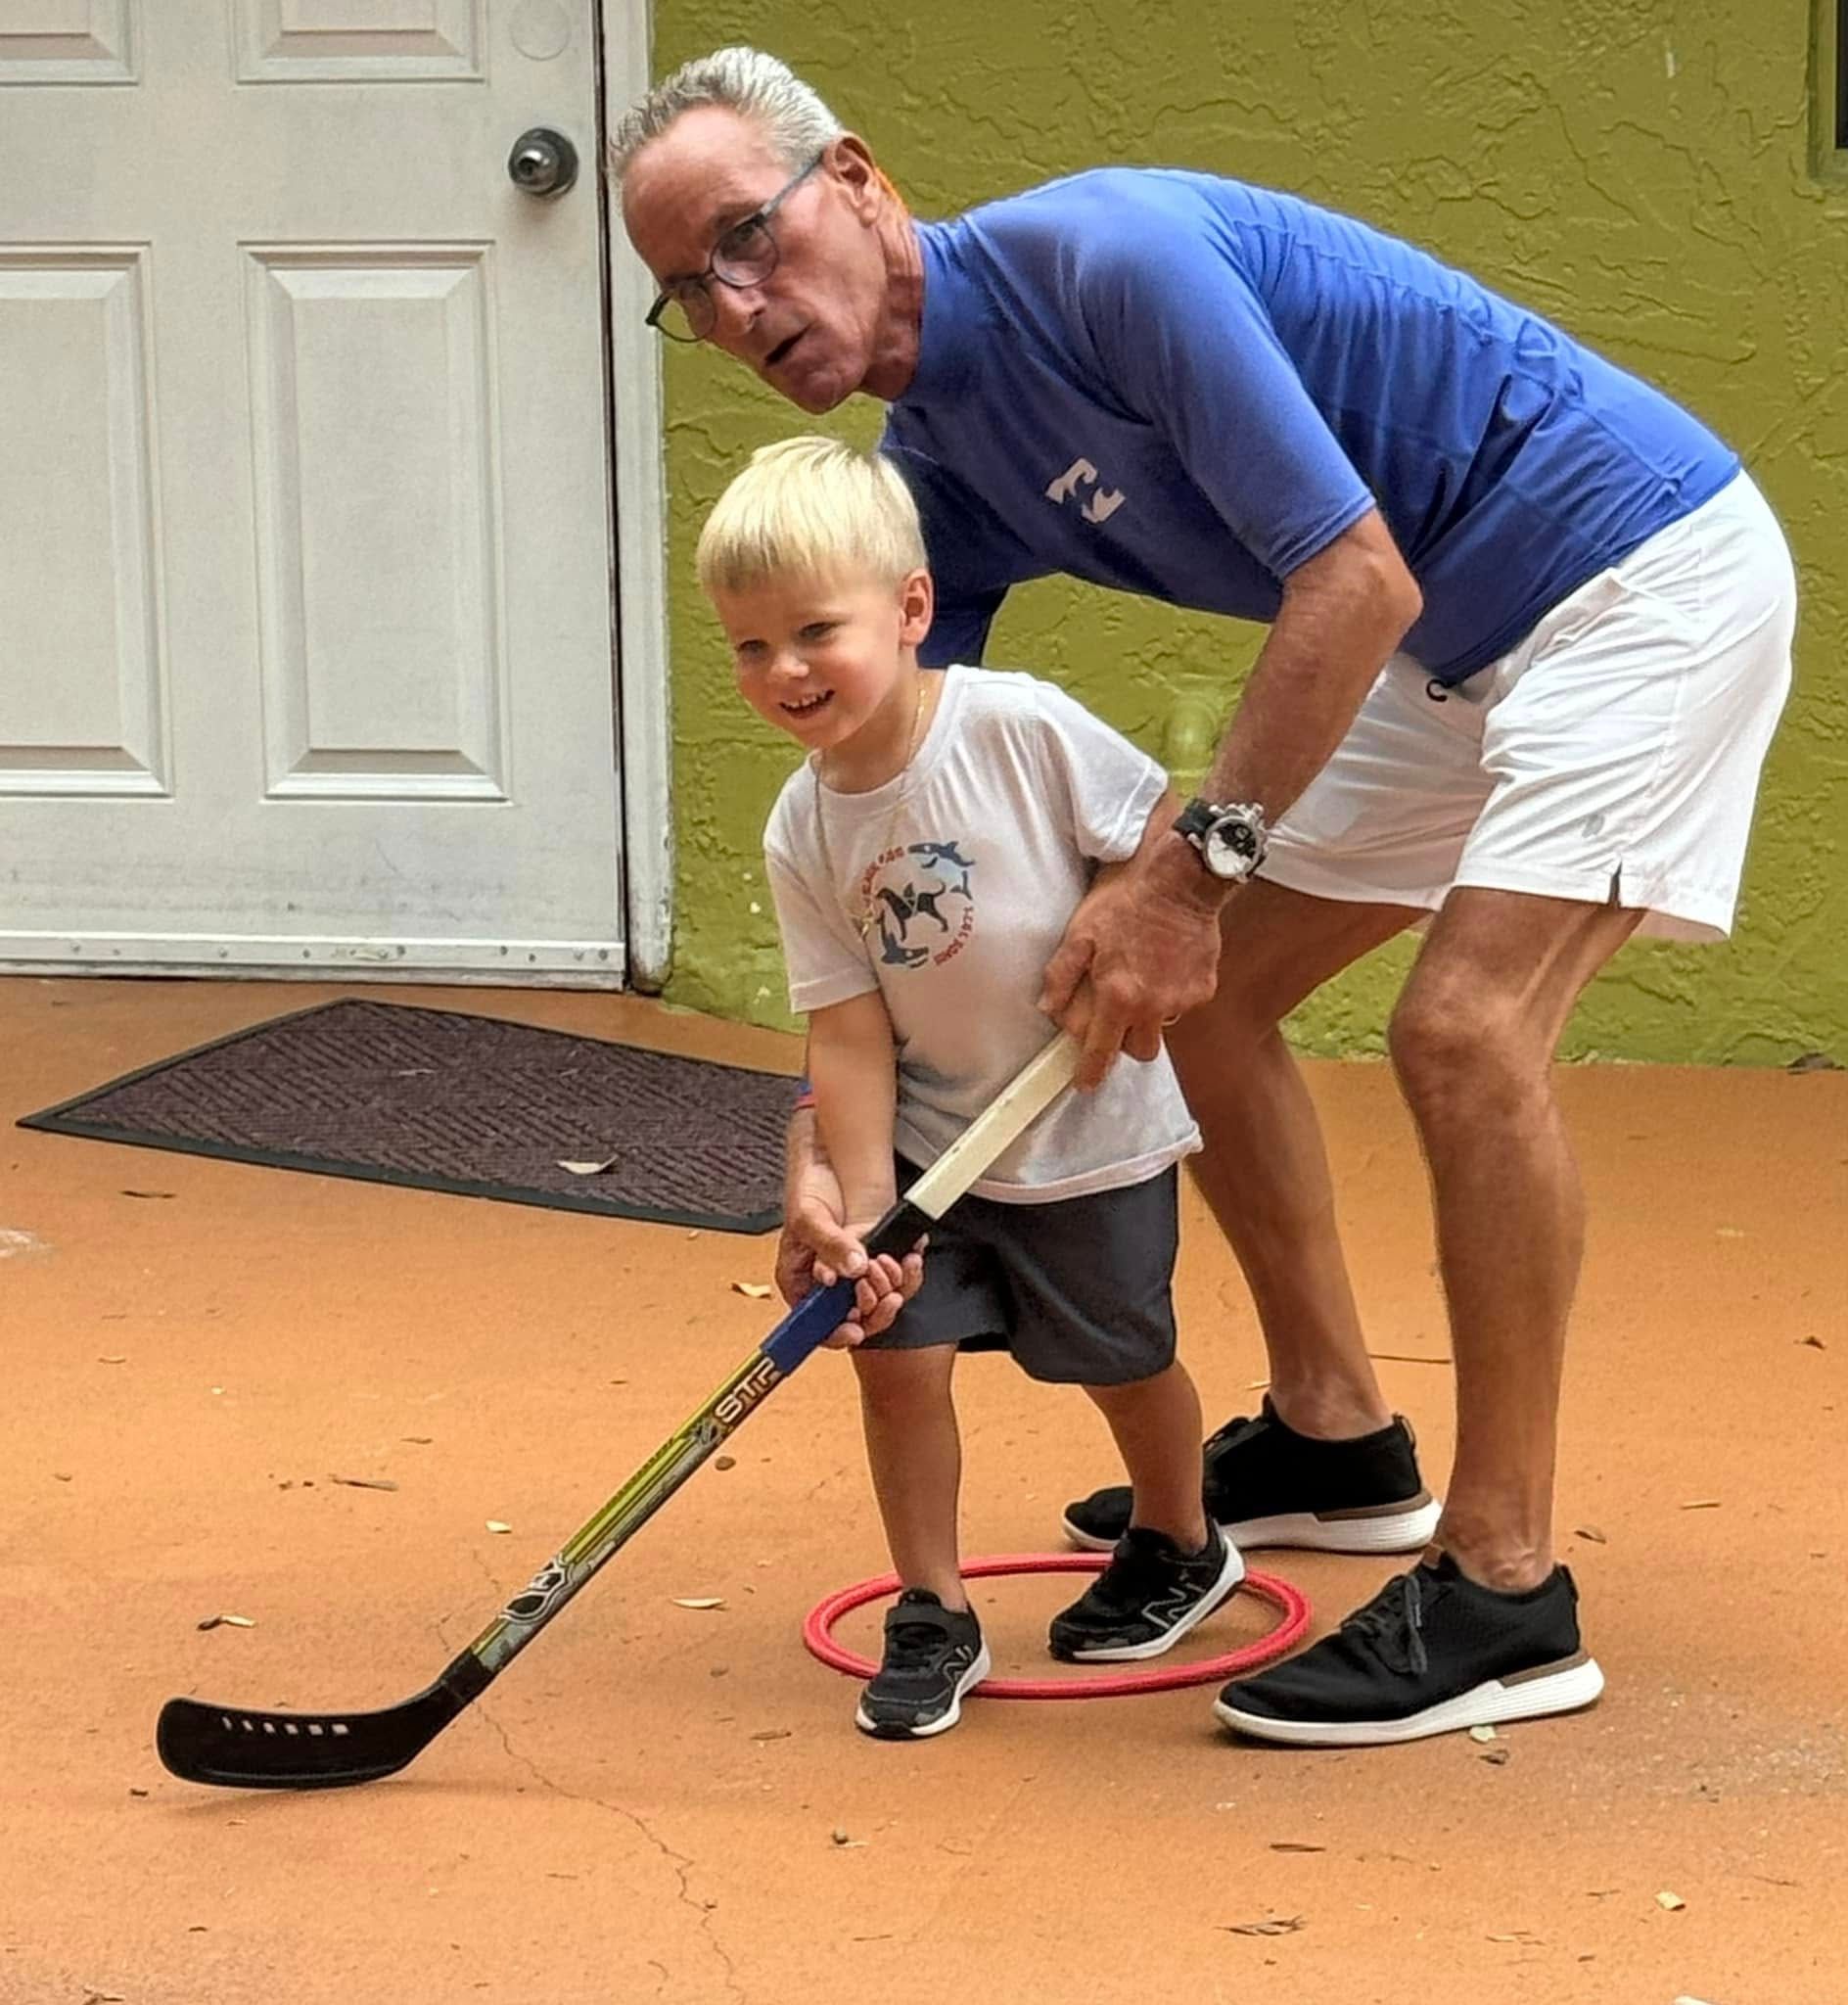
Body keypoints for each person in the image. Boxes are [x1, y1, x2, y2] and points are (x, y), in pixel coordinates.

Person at [614, 50, 1797, 1747]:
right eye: (686, 293)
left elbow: (1353, 574)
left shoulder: (1109, 267)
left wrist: (1181, 869)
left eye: (747, 240)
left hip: (1636, 574)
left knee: (1461, 1031)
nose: (734, 308)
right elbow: (885, 834)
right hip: (1447, 647)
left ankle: (1511, 1588)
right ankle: (1336, 1436)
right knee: (1211, 998)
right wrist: (824, 1150)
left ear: (858, 182)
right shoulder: (929, 466)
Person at [699, 435, 1242, 1740]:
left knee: (1122, 1362)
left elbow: (1153, 847)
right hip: (932, 1142)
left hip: (1088, 1134)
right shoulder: (802, 824)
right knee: (897, 1361)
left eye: (813, 631)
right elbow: (845, 1030)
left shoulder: (1019, 727)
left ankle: (1180, 1536)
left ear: (912, 609)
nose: (781, 672)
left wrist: (1119, 918)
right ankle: (933, 1606)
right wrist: (866, 1212)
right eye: (746, 646)